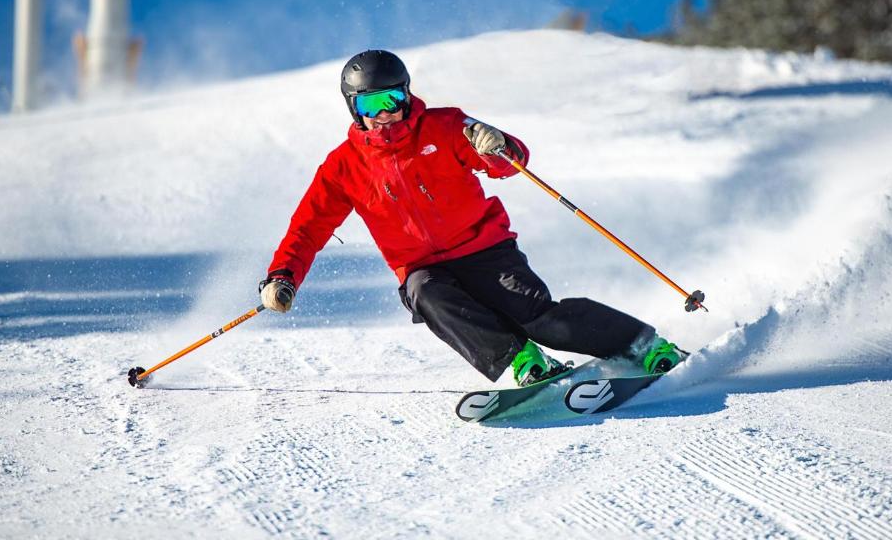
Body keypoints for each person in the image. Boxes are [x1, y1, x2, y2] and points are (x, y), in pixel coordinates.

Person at [260, 49, 688, 386]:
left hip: (486, 250)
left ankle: (646, 346)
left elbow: (508, 161)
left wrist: (496, 143)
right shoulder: (343, 166)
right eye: (373, 102)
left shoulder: (446, 125)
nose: (386, 112)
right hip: (422, 268)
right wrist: (283, 276)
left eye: (394, 98)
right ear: (354, 107)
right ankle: (523, 361)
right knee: (426, 292)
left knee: (542, 319)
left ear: (407, 96)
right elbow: (308, 227)